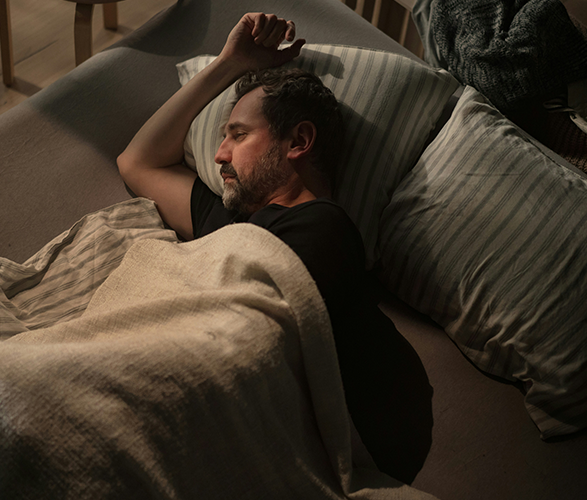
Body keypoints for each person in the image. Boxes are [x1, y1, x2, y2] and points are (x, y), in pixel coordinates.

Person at [117, 13, 432, 484]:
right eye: (222, 138)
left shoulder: (323, 228)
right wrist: (230, 63)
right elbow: (137, 161)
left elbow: (242, 344)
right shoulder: (232, 221)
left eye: (238, 135)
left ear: (299, 141)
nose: (219, 154)